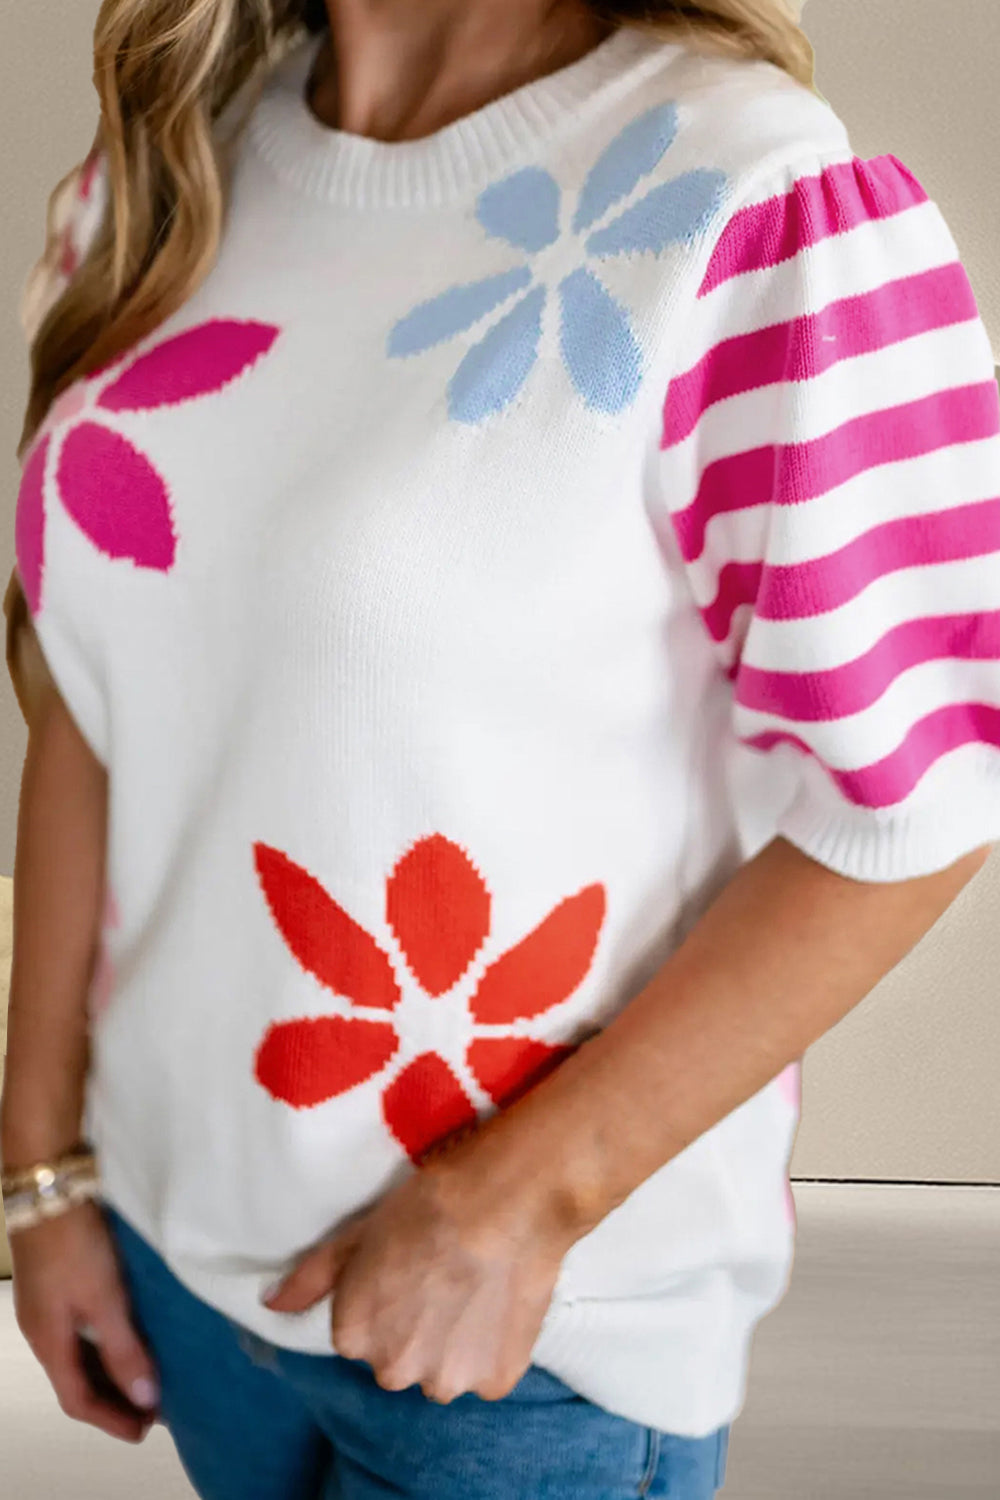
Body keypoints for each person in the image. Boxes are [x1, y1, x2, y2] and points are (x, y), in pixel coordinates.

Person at [2, 1, 999, 1496]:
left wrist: (520, 1203)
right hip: (176, 1273)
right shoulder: (166, 174)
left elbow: (920, 796)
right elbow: (98, 685)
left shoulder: (751, 197)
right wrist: (42, 1169)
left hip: (514, 1342)